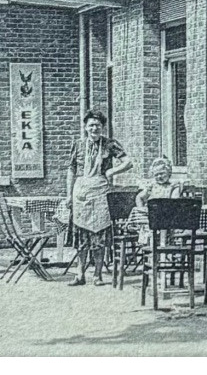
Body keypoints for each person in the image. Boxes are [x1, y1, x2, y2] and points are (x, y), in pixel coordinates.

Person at [65, 109, 133, 286]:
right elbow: (71, 170)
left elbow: (128, 162)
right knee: (81, 236)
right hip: (80, 193)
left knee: (100, 236)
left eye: (98, 125)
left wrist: (112, 171)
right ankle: (80, 274)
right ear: (86, 127)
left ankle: (97, 275)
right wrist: (68, 195)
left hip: (101, 193)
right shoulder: (78, 145)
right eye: (91, 125)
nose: (94, 128)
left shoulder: (110, 144)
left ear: (102, 127)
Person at [135, 156, 181, 248]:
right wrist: (142, 209)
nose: (159, 177)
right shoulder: (152, 186)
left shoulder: (173, 186)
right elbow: (139, 197)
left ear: (169, 172)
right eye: (156, 175)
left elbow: (174, 201)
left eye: (162, 174)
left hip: (168, 218)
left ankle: (163, 249)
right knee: (149, 228)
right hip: (152, 219)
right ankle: (152, 254)